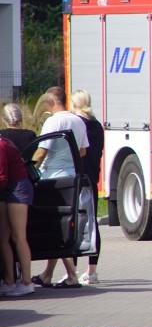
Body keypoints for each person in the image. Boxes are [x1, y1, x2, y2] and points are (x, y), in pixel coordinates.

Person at [31, 86, 89, 289]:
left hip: (52, 178)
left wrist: (27, 167)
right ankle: (47, 275)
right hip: (71, 176)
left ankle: (72, 276)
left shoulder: (52, 121)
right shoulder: (78, 121)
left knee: (56, 227)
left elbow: (41, 152)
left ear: (51, 101)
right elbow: (82, 151)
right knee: (61, 224)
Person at [69, 89, 104, 285]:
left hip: (77, 178)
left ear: (74, 105)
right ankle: (92, 272)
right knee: (92, 223)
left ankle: (71, 270)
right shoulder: (97, 125)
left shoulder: (77, 125)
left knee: (74, 223)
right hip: (92, 177)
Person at [0, 136, 35, 296]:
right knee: (3, 238)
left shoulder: (1, 145)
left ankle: (27, 281)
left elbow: (2, 177)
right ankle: (9, 281)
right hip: (9, 189)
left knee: (18, 236)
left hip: (18, 188)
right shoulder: (5, 142)